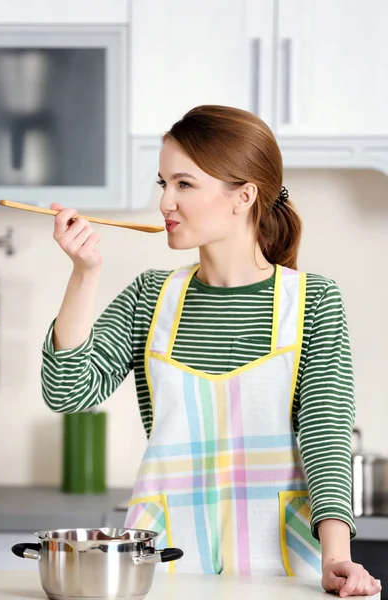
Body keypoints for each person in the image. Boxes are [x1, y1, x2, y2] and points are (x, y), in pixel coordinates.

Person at [41, 105, 380, 597]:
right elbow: (66, 392)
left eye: (184, 184)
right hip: (166, 565)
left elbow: (325, 434)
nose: (165, 203)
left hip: (283, 566)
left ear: (244, 195)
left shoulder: (312, 301)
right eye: (163, 184)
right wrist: (83, 273)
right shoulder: (148, 296)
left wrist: (338, 558)